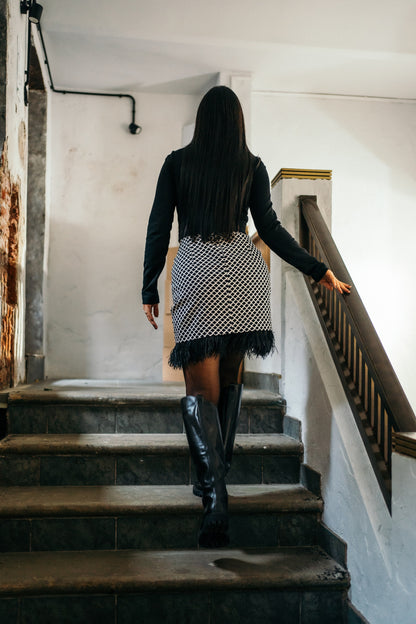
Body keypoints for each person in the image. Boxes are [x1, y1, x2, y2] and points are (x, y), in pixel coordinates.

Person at [142, 86, 351, 549]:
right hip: (242, 276)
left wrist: (148, 285)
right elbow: (270, 229)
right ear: (237, 122)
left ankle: (215, 496)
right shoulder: (250, 165)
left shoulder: (176, 163)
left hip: (198, 270)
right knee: (231, 385)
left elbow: (159, 225)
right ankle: (217, 481)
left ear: (201, 120)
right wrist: (318, 270)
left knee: (201, 391)